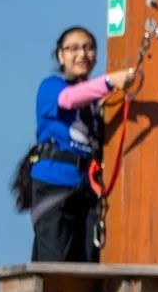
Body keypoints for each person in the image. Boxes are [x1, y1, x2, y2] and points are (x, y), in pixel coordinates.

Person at [12, 26, 135, 261]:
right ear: (60, 56)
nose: (82, 54)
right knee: (56, 259)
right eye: (73, 48)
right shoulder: (51, 86)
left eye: (89, 48)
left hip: (86, 189)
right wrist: (110, 81)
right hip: (54, 184)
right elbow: (68, 99)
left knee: (87, 258)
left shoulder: (98, 102)